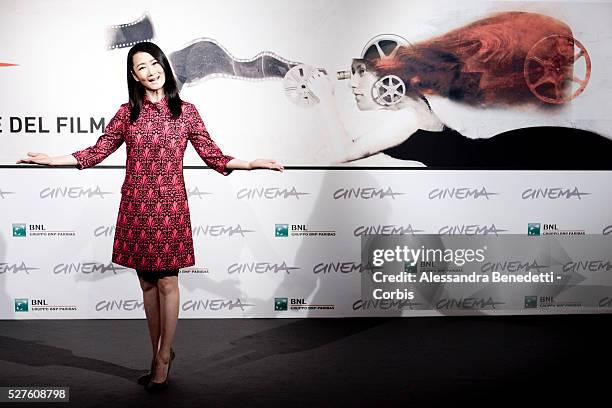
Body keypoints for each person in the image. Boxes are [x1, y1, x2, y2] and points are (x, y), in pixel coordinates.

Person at [17, 41, 283, 392]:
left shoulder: (186, 112)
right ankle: (157, 351)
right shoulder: (127, 113)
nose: (152, 70)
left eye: (155, 63)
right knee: (147, 284)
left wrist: (248, 164)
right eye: (142, 66)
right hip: (137, 207)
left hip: (170, 207)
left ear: (164, 66)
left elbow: (212, 154)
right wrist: (54, 159)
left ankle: (163, 355)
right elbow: (98, 150)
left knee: (168, 283)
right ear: (134, 75)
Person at [311, 12, 612, 169]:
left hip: (500, 164)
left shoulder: (408, 117)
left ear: (387, 77)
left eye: (360, 72)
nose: (353, 83)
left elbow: (341, 154)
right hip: (493, 164)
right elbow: (349, 146)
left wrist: (326, 99)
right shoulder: (412, 109)